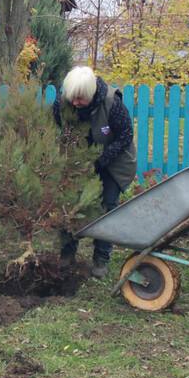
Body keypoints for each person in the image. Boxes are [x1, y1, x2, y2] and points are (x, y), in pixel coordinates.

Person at [52, 66, 137, 278]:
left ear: (91, 94)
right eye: (73, 98)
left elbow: (125, 136)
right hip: (78, 160)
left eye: (81, 99)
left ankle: (101, 259)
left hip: (112, 162)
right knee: (69, 203)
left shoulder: (112, 104)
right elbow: (54, 127)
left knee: (106, 207)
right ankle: (67, 253)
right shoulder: (62, 103)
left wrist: (99, 161)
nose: (76, 103)